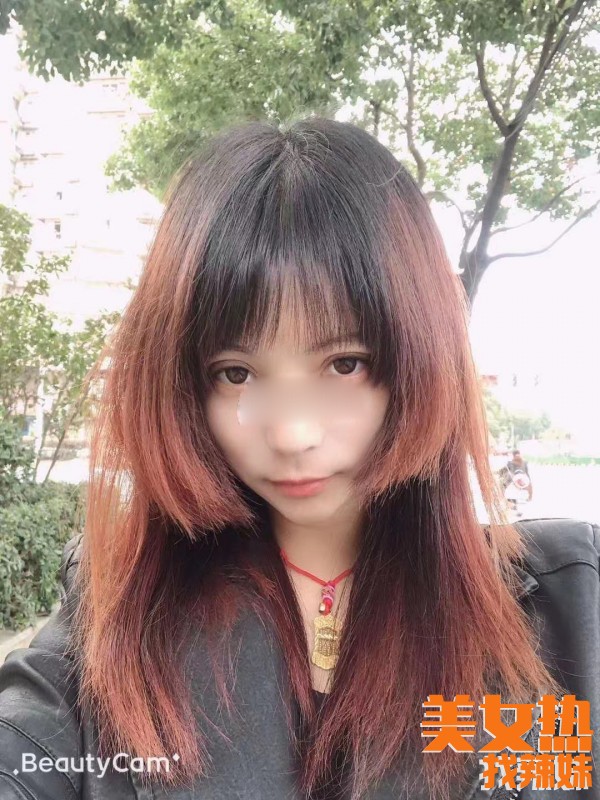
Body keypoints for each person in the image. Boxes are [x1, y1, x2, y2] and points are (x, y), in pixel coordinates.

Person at [0, 116, 599, 800]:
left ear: (419, 357)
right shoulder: (119, 602)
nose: (291, 434)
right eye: (236, 373)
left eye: (344, 363)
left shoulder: (574, 606)